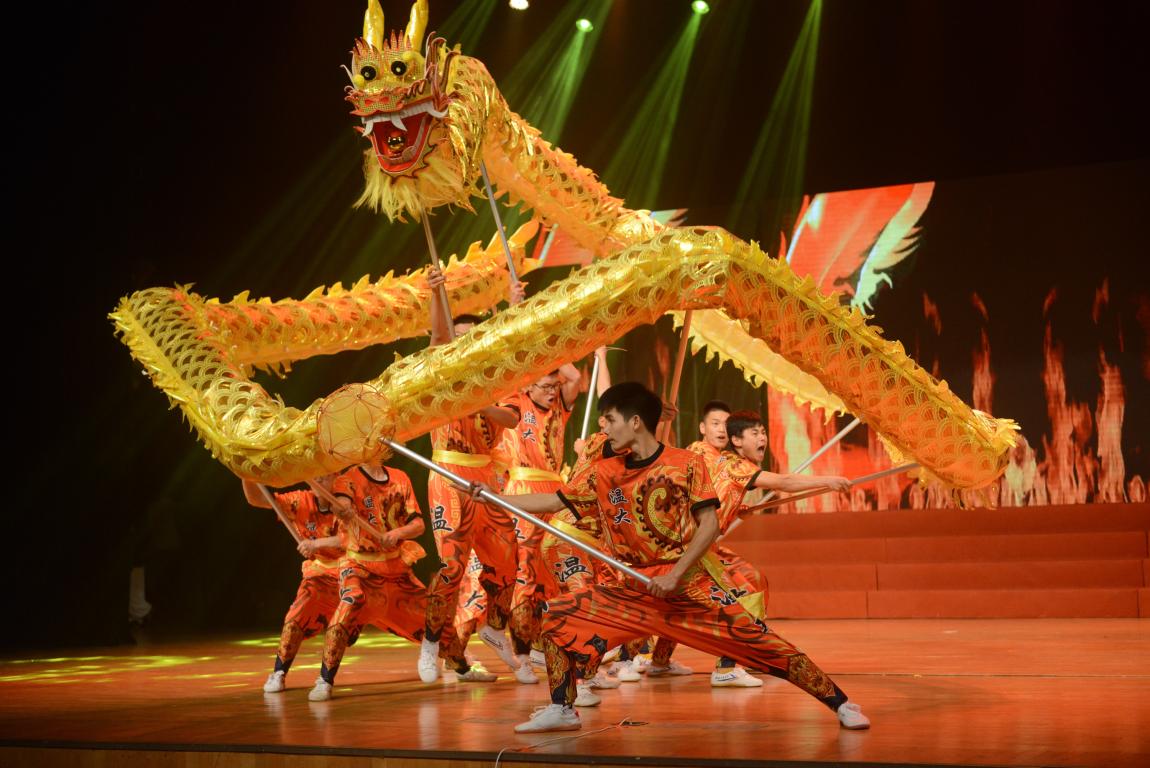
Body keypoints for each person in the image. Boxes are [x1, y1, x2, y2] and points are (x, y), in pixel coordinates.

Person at [482, 382, 869, 733]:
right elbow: (554, 501)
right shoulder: (603, 473)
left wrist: (675, 574)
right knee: (558, 618)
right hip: (633, 588)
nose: (604, 427)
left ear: (635, 422)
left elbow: (708, 525)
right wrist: (491, 497)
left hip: (687, 585)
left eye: (610, 419)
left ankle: (840, 703)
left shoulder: (686, 464)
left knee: (762, 642)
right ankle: (562, 708)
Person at [418, 264, 521, 682]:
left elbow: (511, 418)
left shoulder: (495, 378)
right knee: (451, 567)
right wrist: (436, 293)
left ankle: (492, 630)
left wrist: (480, 402)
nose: (463, 343)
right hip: (448, 473)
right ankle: (430, 645)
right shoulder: (441, 374)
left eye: (471, 337)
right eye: (458, 337)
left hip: (486, 478)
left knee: (508, 564)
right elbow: (437, 338)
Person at [309, 460, 446, 701]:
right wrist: (344, 509)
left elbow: (418, 524)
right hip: (359, 567)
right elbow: (341, 505)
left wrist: (397, 533)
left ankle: (460, 663)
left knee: (436, 617)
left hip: (395, 567)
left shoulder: (400, 477)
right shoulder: (347, 479)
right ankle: (324, 679)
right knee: (348, 605)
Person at [498, 352, 587, 682]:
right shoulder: (516, 402)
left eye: (554, 386)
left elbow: (574, 377)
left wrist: (553, 344)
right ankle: (521, 653)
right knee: (525, 570)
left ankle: (552, 646)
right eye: (546, 386)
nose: (552, 392)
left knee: (556, 567)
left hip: (554, 490)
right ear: (528, 386)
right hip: (524, 488)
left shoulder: (560, 406)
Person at [242, 476, 343, 694]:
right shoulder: (299, 501)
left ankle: (426, 647)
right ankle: (280, 672)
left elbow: (354, 537)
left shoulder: (347, 499)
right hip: (320, 574)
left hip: (354, 571)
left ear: (337, 476)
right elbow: (258, 499)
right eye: (316, 477)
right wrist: (246, 474)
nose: (320, 481)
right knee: (296, 614)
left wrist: (316, 544)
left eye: (326, 477)